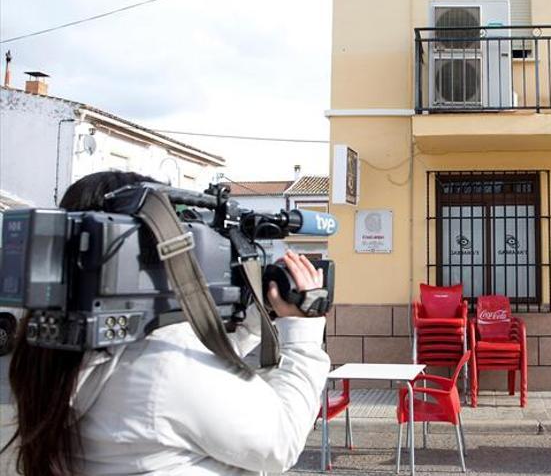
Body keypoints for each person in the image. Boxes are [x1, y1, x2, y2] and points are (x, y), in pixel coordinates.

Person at [3, 171, 331, 475]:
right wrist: (303, 334)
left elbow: (203, 369)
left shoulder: (47, 354)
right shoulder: (164, 368)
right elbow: (282, 441)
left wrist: (255, 323)